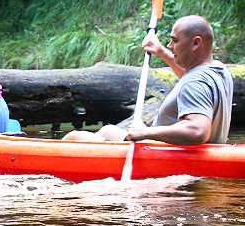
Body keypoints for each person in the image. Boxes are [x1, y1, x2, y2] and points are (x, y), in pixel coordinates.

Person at [63, 15, 234, 145]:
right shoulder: (218, 71)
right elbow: (190, 78)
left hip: (162, 154)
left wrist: (144, 132)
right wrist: (160, 51)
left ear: (196, 43)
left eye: (174, 40)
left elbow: (198, 131)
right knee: (108, 131)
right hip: (183, 151)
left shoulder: (195, 83)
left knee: (74, 137)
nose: (170, 45)